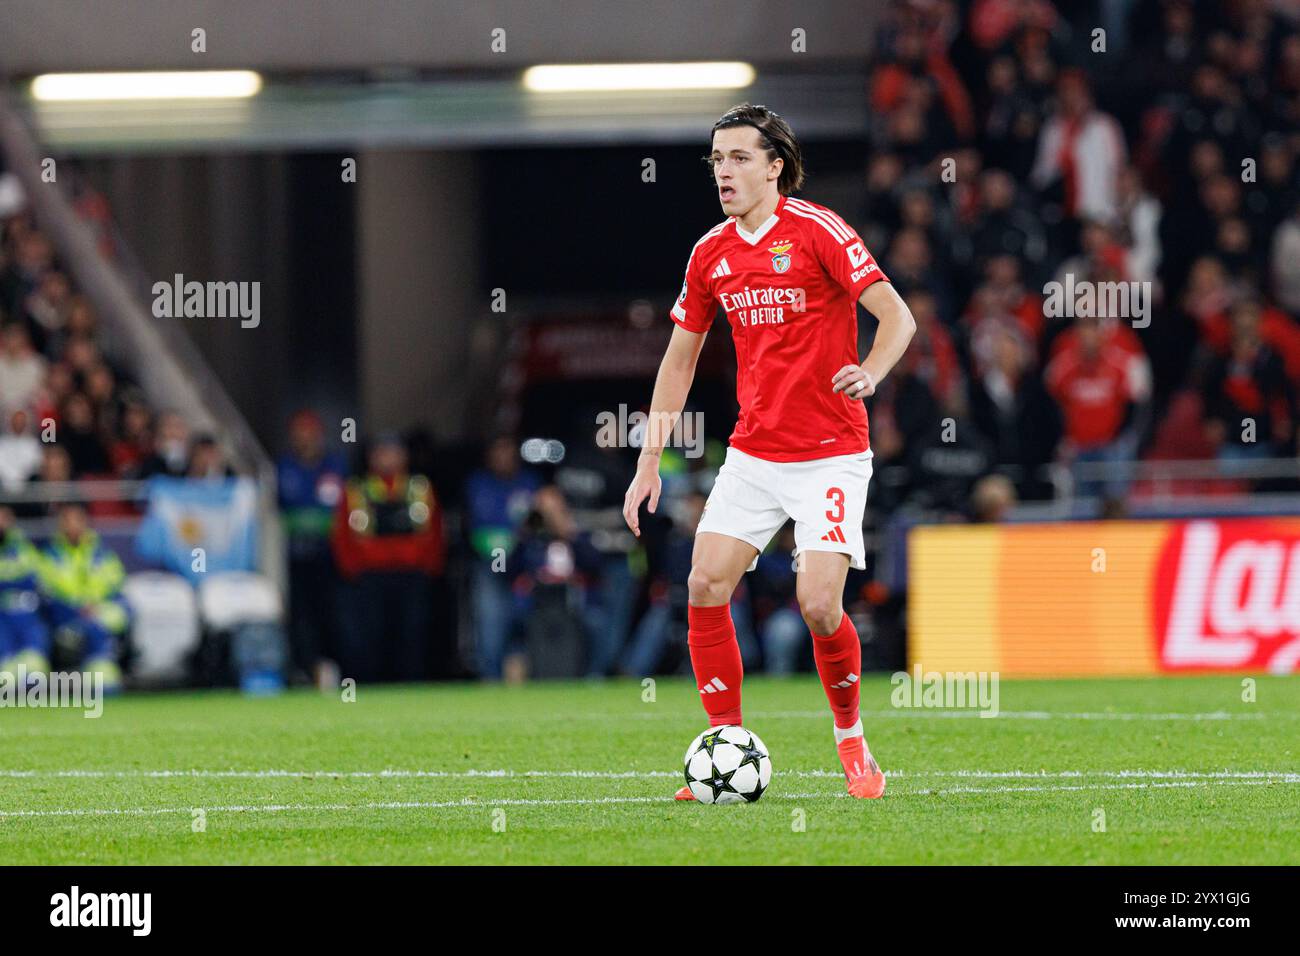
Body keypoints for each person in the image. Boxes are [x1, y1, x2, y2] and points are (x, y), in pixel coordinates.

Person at [623, 104, 916, 801]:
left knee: (818, 605)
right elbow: (679, 359)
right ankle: (724, 743)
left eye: (739, 158)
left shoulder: (819, 231)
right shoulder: (710, 253)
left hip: (829, 451)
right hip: (754, 453)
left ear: (774, 164)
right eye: (716, 160)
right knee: (703, 584)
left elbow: (897, 316)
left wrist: (870, 373)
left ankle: (851, 739)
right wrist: (646, 459)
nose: (724, 171)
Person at [330, 435, 444, 682]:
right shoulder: (356, 489)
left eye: (393, 452)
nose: (388, 459)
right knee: (370, 635)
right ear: (371, 457)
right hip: (370, 576)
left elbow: (435, 531)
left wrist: (429, 569)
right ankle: (371, 688)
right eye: (382, 453)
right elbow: (341, 534)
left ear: (404, 457)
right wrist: (352, 570)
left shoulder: (420, 488)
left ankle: (412, 687)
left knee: (412, 634)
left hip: (412, 576)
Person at [277, 410, 346, 685]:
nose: (305, 441)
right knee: (300, 616)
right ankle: (305, 670)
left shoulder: (335, 466)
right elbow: (285, 505)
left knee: (333, 614)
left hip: (331, 556)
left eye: (310, 435)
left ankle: (335, 668)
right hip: (297, 556)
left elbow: (341, 506)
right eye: (299, 436)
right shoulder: (285, 467)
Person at [35, 502, 129, 691]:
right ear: (60, 524)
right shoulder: (48, 556)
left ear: (85, 522)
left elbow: (115, 585)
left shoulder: (102, 554)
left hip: (98, 610)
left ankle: (103, 665)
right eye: (67, 520)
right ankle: (99, 665)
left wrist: (95, 605)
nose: (72, 525)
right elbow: (46, 594)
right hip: (66, 615)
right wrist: (75, 609)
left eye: (77, 519)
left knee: (119, 613)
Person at [0, 505, 49, 680]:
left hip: (25, 614)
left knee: (34, 667)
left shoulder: (23, 547)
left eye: (4, 518)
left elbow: (32, 580)